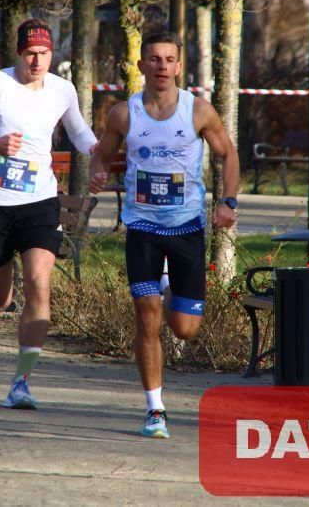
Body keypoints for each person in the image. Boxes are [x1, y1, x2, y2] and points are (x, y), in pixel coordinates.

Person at [0, 18, 97, 410]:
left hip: (39, 202)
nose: (37, 62)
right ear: (18, 54)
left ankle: (21, 382)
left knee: (39, 283)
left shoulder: (62, 89)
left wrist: (100, 155)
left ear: (52, 54)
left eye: (44, 54)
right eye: (30, 54)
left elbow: (78, 132)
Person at [89, 31, 239, 439]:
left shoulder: (198, 111)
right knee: (147, 314)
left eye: (169, 59)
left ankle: (169, 287)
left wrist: (228, 202)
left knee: (185, 328)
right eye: (154, 59)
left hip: (187, 228)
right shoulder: (124, 114)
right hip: (142, 228)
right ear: (141, 65)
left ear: (178, 67)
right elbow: (101, 155)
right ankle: (155, 409)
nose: (161, 66)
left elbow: (228, 154)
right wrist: (98, 173)